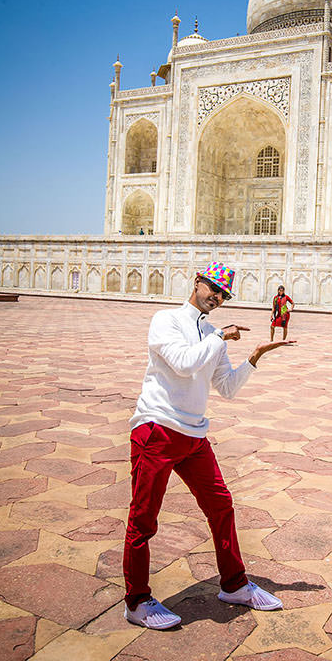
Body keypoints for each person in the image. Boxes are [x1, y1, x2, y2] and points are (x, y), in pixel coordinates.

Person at [123, 263, 296, 629]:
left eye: (224, 295)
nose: (217, 297)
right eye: (213, 289)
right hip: (158, 429)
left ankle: (234, 584)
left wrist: (254, 357)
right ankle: (137, 601)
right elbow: (185, 364)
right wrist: (220, 338)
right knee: (144, 519)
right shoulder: (166, 320)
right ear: (197, 283)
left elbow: (227, 388)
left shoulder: (212, 334)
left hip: (193, 435)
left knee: (221, 505)